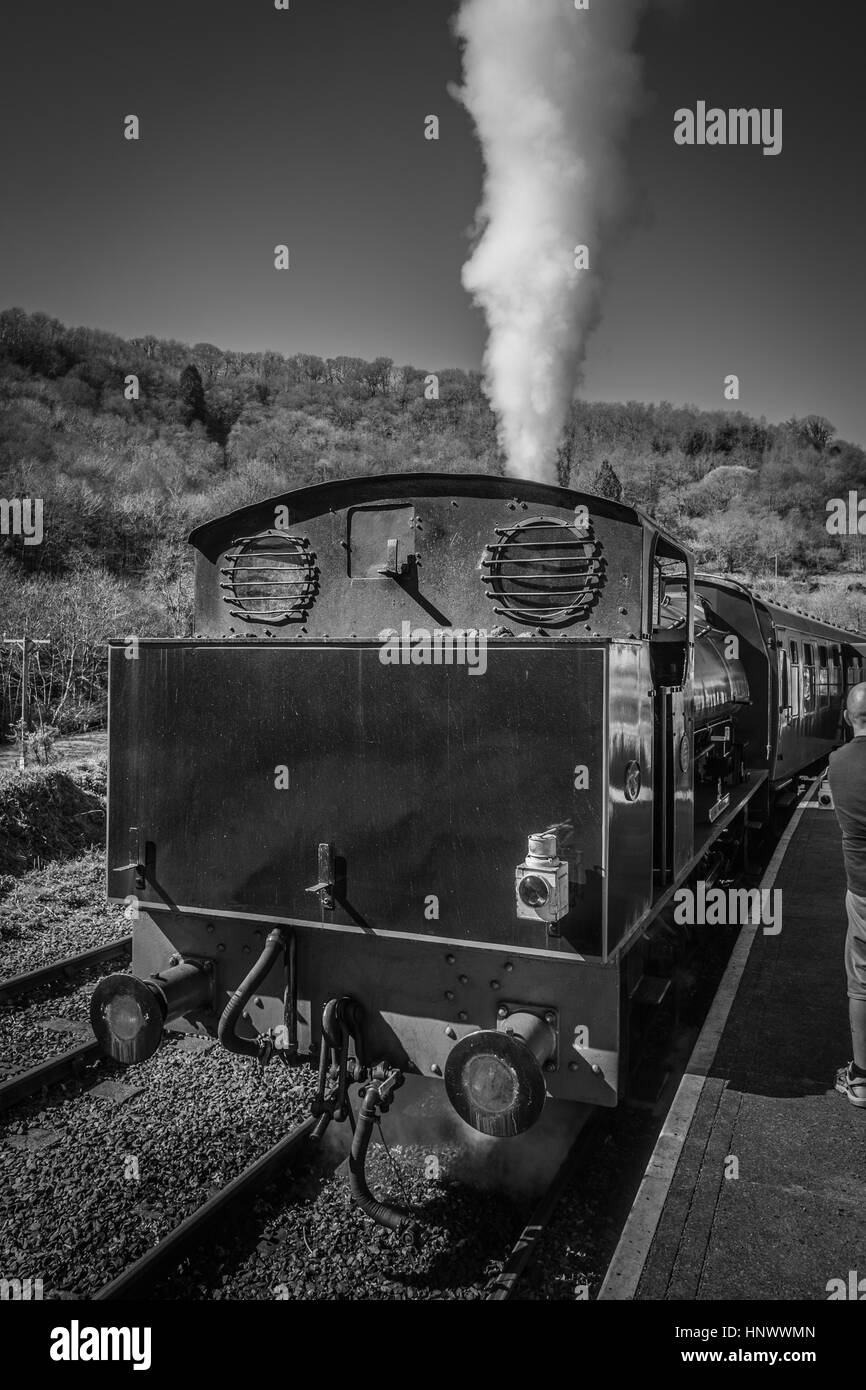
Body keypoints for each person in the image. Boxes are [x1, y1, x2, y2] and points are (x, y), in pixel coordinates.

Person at [827, 682, 866, 1107]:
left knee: (862, 984)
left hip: (863, 891)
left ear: (846, 718)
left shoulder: (837, 764)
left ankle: (860, 1080)